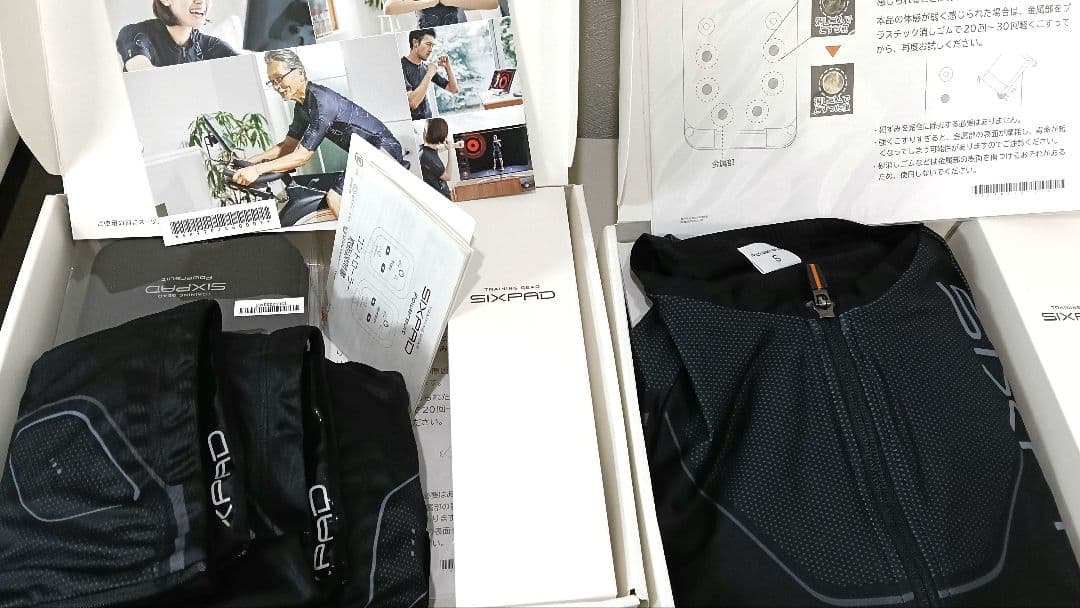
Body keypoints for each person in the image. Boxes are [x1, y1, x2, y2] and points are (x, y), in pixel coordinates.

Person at [234, 49, 409, 218]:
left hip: (383, 150)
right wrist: (250, 162)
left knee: (335, 198)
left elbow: (302, 156)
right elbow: (287, 147)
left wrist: (257, 169)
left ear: (300, 72)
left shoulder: (321, 102)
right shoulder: (302, 107)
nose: (276, 86)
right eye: (272, 82)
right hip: (365, 154)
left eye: (279, 78)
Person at [116, 0, 237, 71]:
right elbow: (141, 70)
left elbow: (245, 71)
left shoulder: (211, 46)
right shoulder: (136, 33)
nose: (201, 1)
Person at [401, 29, 459, 121]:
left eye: (432, 45)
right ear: (415, 43)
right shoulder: (401, 66)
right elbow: (412, 103)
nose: (431, 49)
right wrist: (429, 74)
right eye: (428, 44)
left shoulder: (425, 67)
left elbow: (454, 89)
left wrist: (447, 66)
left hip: (430, 120)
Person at [383, 0, 506, 28]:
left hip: (456, 31)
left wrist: (451, 1)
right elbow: (389, 8)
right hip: (425, 33)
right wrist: (428, 3)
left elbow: (492, 3)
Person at [419, 118, 459, 200]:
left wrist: (454, 145)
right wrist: (450, 150)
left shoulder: (425, 150)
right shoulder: (429, 158)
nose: (423, 132)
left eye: (425, 130)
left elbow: (437, 149)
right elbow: (448, 177)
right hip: (441, 199)